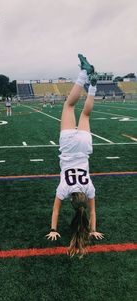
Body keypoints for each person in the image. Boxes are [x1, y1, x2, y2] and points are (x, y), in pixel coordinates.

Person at [46, 54, 104, 258]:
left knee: (85, 115)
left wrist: (93, 229)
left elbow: (93, 212)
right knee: (68, 106)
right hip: (69, 148)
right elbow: (55, 211)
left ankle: (93, 86)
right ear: (72, 202)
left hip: (84, 148)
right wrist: (53, 230)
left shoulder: (89, 189)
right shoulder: (64, 189)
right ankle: (83, 72)